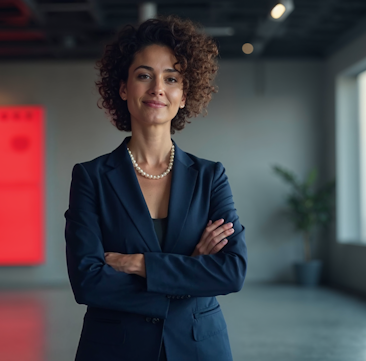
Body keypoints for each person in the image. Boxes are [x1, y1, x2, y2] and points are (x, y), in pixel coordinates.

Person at [64, 16, 247, 361]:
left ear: (183, 95)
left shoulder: (211, 177)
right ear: (123, 88)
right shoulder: (91, 177)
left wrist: (142, 265)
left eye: (171, 78)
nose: (157, 88)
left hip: (199, 348)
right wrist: (190, 269)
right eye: (144, 75)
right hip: (114, 349)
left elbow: (232, 271)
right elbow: (88, 281)